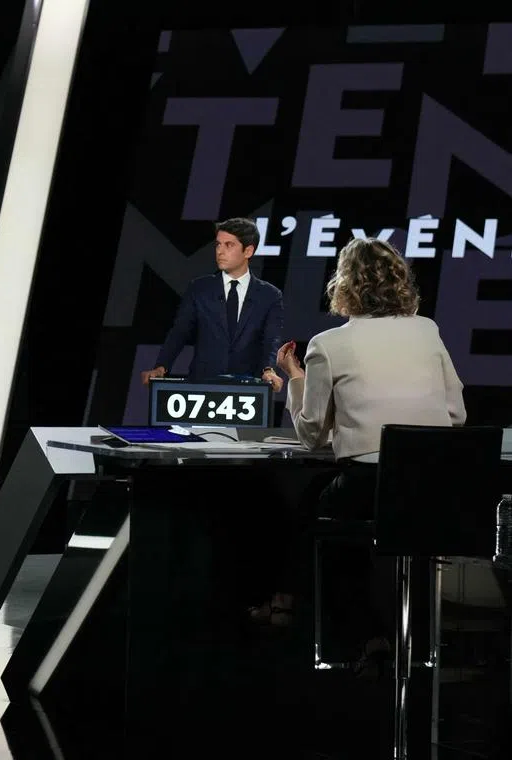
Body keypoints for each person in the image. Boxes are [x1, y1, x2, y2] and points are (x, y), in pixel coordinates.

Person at [260, 237, 465, 673]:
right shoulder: (427, 330)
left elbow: (312, 435)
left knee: (322, 513)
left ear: (345, 284)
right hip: (437, 486)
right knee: (324, 500)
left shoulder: (328, 344)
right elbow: (455, 413)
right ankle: (407, 642)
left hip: (370, 484)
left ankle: (352, 636)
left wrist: (294, 377)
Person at [141, 217, 284, 392]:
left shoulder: (269, 295)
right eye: (218, 245)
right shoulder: (199, 289)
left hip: (248, 389)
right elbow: (180, 332)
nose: (219, 251)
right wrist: (161, 366)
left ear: (248, 251)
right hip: (202, 385)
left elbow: (271, 340)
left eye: (229, 245)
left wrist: (268, 370)